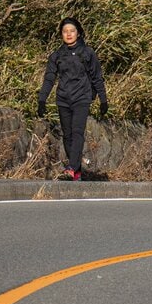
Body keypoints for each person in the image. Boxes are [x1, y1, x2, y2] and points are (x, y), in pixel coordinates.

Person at [37, 17, 109, 181]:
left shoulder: (87, 53)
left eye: (72, 31)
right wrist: (42, 100)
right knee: (67, 135)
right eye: (65, 31)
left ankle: (70, 168)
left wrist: (103, 100)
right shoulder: (56, 56)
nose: (68, 34)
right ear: (61, 34)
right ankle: (76, 171)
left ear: (78, 33)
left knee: (77, 133)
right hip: (63, 99)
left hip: (82, 98)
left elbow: (97, 77)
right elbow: (49, 78)